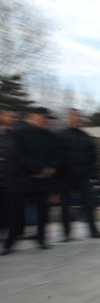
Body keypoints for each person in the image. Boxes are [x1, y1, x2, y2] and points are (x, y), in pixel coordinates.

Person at [2, 107, 59, 255]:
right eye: (42, 117)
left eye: (46, 118)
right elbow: (18, 155)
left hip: (42, 181)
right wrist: (38, 170)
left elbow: (56, 155)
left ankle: (41, 239)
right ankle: (10, 243)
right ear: (32, 116)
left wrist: (50, 168)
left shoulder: (50, 136)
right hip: (21, 179)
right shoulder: (20, 133)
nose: (45, 120)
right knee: (16, 214)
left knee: (43, 213)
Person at [57, 109, 100, 240]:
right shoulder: (61, 136)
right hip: (66, 176)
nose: (77, 119)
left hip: (83, 176)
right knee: (65, 205)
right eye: (74, 116)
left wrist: (95, 176)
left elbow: (93, 157)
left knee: (89, 204)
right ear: (68, 119)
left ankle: (93, 231)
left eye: (79, 117)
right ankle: (67, 234)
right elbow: (57, 157)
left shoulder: (85, 136)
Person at [0, 105, 18, 231]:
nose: (12, 118)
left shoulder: (17, 135)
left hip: (12, 178)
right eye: (9, 116)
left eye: (14, 116)